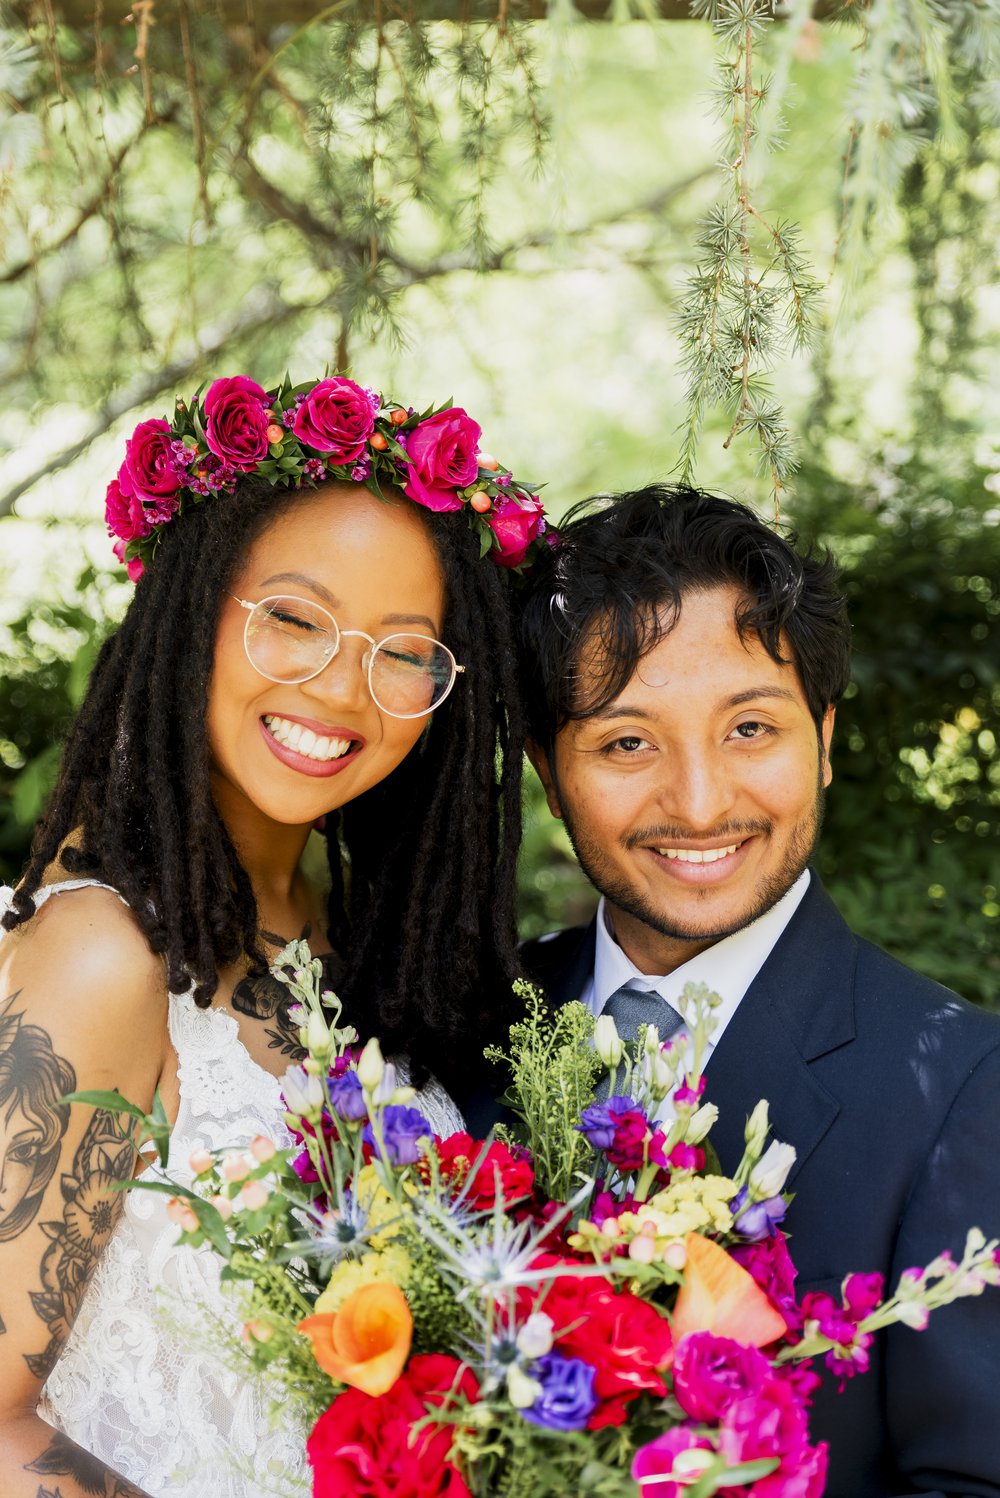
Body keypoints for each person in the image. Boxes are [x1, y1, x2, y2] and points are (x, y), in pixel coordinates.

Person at [0, 372, 547, 1497]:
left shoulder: (358, 949)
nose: (344, 687)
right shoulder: (104, 955)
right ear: (195, 609)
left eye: (406, 651)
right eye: (292, 618)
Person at [516, 483, 1000, 1498]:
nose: (699, 803)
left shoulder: (966, 1091)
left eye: (749, 729)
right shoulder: (461, 1023)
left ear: (823, 739)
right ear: (549, 776)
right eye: (626, 741)